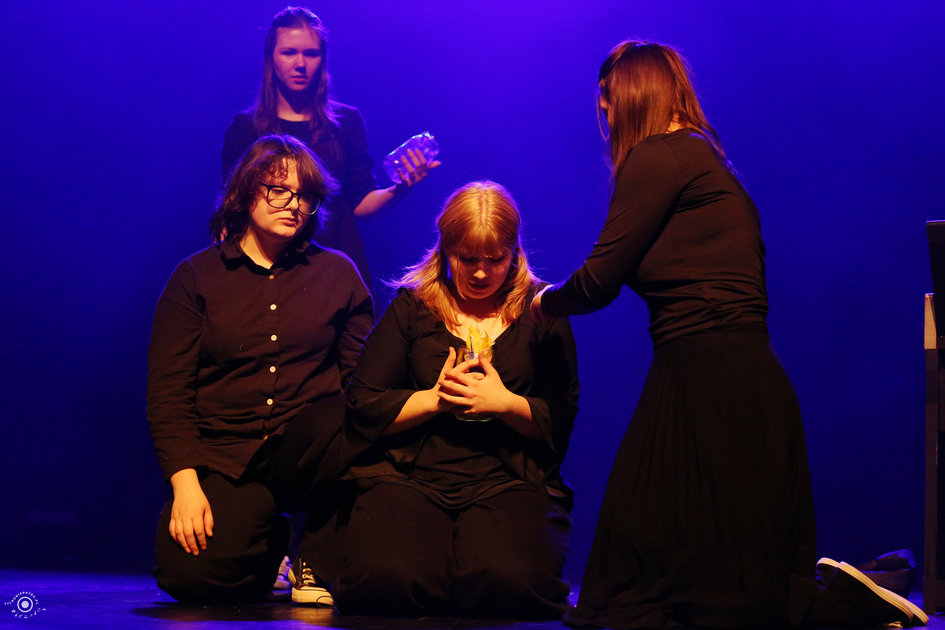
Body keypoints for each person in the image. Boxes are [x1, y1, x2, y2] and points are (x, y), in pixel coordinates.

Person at [531, 41, 928, 629]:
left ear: (635, 94)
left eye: (607, 99)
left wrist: (539, 301)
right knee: (700, 567)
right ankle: (858, 594)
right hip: (732, 372)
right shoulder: (703, 157)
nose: (604, 113)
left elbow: (598, 281)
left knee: (657, 572)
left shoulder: (657, 157)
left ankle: (849, 603)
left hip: (708, 376)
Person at [336, 181, 580, 618]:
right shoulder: (414, 306)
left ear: (514, 253)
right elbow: (363, 404)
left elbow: (561, 417)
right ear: (445, 250)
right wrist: (435, 399)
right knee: (389, 579)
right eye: (467, 259)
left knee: (507, 581)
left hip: (507, 478)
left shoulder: (540, 311)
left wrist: (505, 403)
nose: (481, 274)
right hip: (413, 475)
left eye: (495, 260)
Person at [147, 134, 373, 605]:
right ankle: (271, 546)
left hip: (309, 453)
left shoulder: (338, 274)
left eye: (305, 196)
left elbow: (364, 381)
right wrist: (185, 483)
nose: (294, 204)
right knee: (189, 577)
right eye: (279, 190)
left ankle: (316, 554)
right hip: (229, 458)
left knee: (346, 414)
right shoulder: (196, 277)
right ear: (246, 191)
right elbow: (168, 393)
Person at [222, 6, 439, 287]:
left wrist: (402, 187)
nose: (300, 63)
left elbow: (359, 202)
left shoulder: (345, 123)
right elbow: (233, 208)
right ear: (271, 58)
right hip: (268, 264)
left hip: (333, 262)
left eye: (311, 53)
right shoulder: (246, 129)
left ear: (322, 58)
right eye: (289, 52)